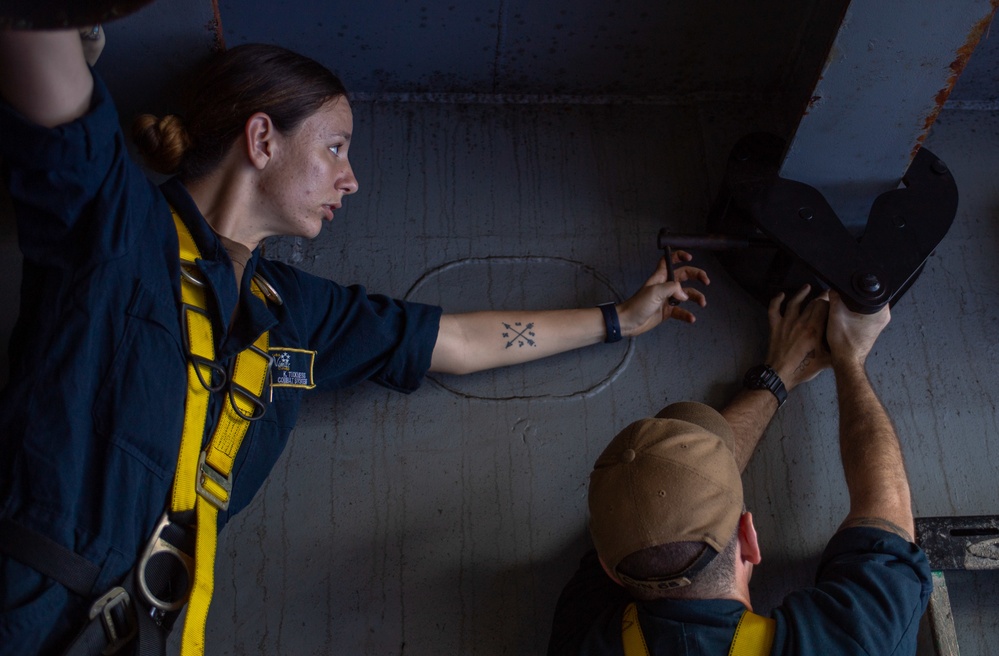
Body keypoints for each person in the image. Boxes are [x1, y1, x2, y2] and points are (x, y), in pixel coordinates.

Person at [0, 22, 710, 656]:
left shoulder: (293, 311)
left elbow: (454, 343)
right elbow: (36, 40)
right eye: (335, 147)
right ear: (261, 139)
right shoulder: (121, 227)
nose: (352, 178)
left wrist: (621, 317)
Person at [547, 287, 933, 655]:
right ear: (749, 539)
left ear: (609, 571)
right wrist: (850, 356)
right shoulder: (858, 643)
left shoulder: (580, 639)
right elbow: (886, 525)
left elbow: (885, 523)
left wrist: (779, 375)